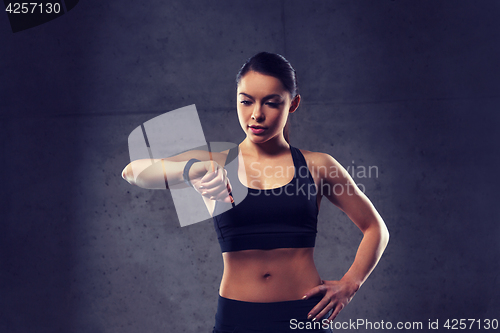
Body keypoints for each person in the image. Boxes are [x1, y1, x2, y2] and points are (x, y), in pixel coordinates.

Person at [122, 52, 389, 333]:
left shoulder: (317, 165)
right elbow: (132, 172)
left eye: (272, 103)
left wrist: (351, 283)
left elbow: (376, 228)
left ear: (293, 104)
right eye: (246, 101)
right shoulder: (215, 161)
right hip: (237, 318)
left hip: (303, 316)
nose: (256, 114)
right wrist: (189, 170)